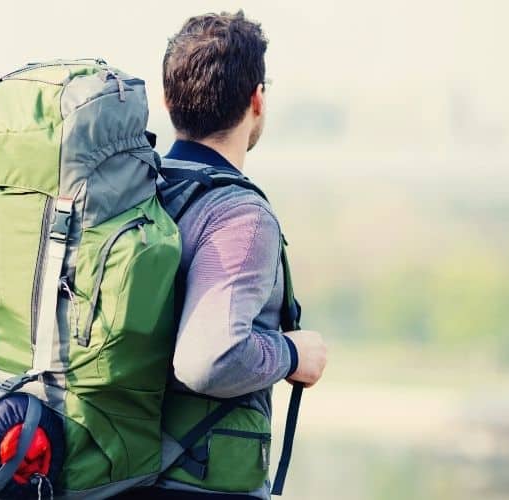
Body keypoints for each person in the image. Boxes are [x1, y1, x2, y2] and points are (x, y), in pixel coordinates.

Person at [117, 10, 328, 500]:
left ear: (168, 102)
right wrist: (295, 354)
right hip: (192, 485)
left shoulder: (135, 194)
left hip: (114, 475)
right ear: (257, 99)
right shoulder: (240, 216)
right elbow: (209, 359)